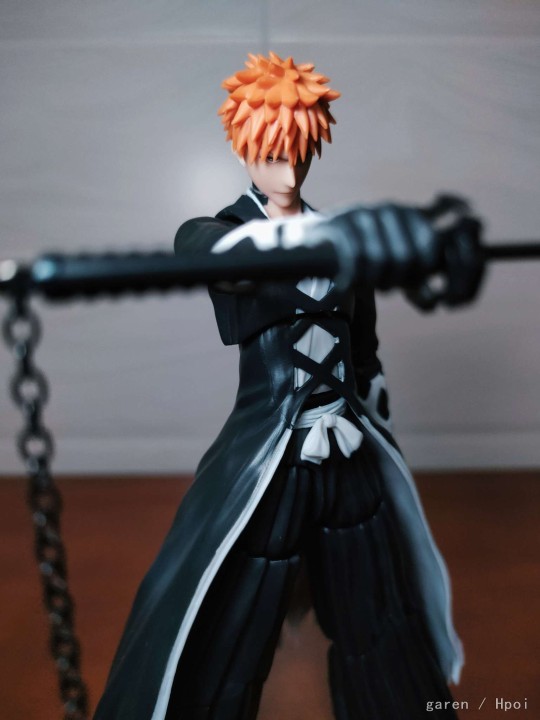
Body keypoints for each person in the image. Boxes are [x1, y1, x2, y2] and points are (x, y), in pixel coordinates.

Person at [94, 52, 484, 720]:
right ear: (245, 149)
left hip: (346, 449)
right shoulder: (223, 233)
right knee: (230, 626)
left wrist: (420, 249)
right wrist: (338, 237)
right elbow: (210, 254)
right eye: (273, 155)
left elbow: (363, 347)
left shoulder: (344, 239)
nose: (288, 172)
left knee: (380, 615)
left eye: (299, 154)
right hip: (272, 459)